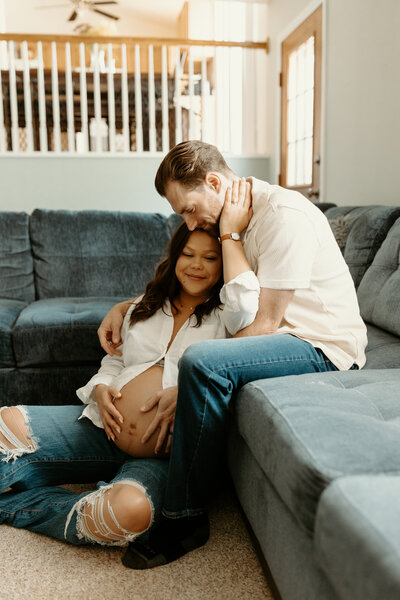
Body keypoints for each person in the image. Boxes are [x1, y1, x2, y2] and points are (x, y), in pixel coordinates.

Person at [98, 140, 368, 569]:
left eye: (188, 208)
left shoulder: (283, 216)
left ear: (213, 181)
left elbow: (267, 323)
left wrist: (187, 384)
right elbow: (198, 287)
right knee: (202, 361)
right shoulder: (235, 218)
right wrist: (127, 307)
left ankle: (184, 518)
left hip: (320, 344)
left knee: (203, 360)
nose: (188, 221)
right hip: (283, 335)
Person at [0, 219, 260, 551]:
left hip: (165, 456)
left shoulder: (230, 316)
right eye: (187, 254)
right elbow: (116, 361)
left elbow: (239, 347)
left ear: (224, 263)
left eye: (210, 258)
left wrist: (193, 393)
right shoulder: (146, 305)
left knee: (125, 514)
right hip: (102, 428)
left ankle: (16, 507)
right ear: (174, 257)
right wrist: (100, 388)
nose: (196, 265)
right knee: (6, 423)